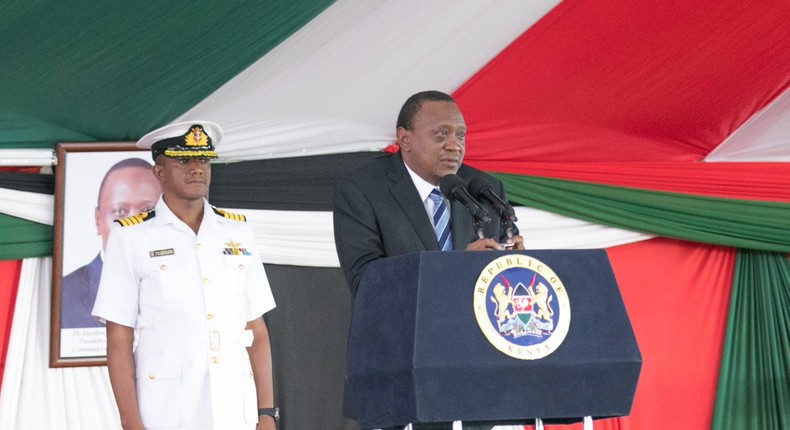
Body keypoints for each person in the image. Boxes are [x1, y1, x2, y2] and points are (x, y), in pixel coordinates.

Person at [333, 91, 525, 430]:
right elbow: (366, 283)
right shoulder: (363, 188)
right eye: (441, 134)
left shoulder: (482, 188)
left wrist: (512, 267)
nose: (455, 145)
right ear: (405, 139)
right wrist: (451, 269)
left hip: (475, 378)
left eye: (460, 135)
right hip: (400, 378)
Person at [92, 122, 278, 430]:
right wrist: (130, 422)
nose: (196, 169)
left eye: (203, 160)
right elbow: (119, 336)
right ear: (160, 172)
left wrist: (266, 414)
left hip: (234, 406)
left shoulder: (237, 231)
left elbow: (256, 331)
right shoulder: (132, 237)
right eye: (183, 160)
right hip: (167, 409)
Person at [61, 157, 161, 328]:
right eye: (120, 211)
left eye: (148, 211)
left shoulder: (188, 283)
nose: (135, 222)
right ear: (98, 220)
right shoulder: (64, 293)